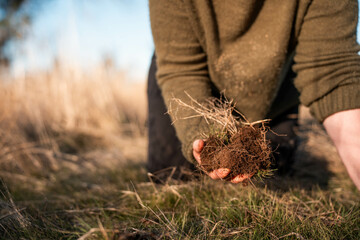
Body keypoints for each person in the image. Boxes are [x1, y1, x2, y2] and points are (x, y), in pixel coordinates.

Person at [147, 0, 360, 190]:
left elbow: (333, 71)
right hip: (189, 83)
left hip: (275, 87)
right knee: (171, 178)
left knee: (274, 176)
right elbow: (182, 68)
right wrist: (207, 135)